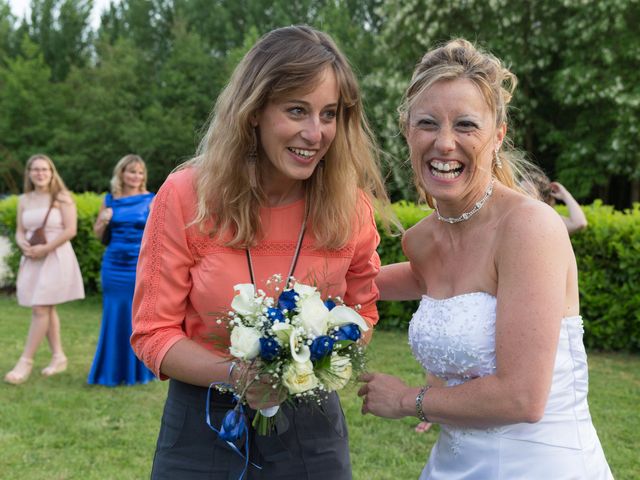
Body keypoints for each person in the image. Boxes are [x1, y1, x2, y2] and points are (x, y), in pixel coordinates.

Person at [131, 25, 388, 479]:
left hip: (312, 433)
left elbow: (363, 313)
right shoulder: (187, 195)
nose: (315, 133)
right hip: (202, 427)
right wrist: (238, 375)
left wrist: (317, 352)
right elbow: (153, 333)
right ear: (253, 112)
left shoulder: (351, 208)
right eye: (296, 110)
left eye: (329, 114)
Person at [361, 39, 613, 479]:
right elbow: (386, 281)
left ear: (497, 135)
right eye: (427, 123)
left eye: (465, 125)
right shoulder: (423, 241)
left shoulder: (529, 228)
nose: (444, 143)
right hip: (452, 465)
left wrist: (407, 400)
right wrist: (314, 279)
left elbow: (522, 398)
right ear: (407, 132)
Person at [4, 154, 85, 385]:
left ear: (52, 172)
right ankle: (59, 356)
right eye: (35, 169)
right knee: (46, 308)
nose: (40, 173)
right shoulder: (24, 200)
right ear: (29, 173)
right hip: (32, 258)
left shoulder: (62, 197)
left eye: (45, 169)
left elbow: (70, 230)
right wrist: (22, 244)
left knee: (40, 307)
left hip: (56, 257)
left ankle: (25, 361)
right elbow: (20, 230)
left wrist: (45, 248)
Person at [88, 154, 155, 386]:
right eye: (131, 171)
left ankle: (138, 371)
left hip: (139, 264)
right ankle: (110, 371)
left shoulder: (151, 199)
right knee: (113, 315)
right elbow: (98, 236)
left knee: (135, 316)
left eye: (139, 172)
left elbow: (157, 236)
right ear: (121, 174)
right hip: (113, 265)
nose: (136, 176)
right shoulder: (109, 200)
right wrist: (103, 221)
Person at [522, 169, 588, 234]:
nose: (520, 195)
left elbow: (579, 223)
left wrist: (565, 195)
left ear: (542, 198)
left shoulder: (548, 221)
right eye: (519, 190)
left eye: (527, 192)